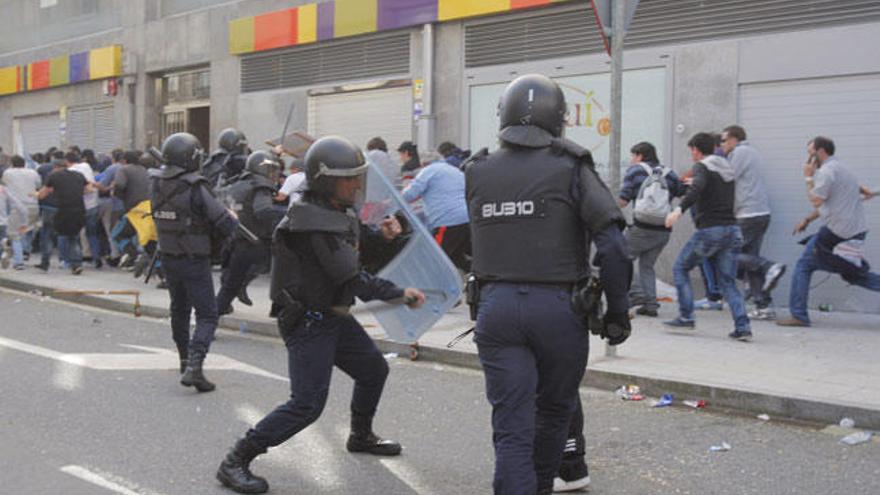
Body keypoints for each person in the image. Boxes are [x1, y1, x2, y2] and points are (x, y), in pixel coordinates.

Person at [215, 136, 426, 494]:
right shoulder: (311, 221)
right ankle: (235, 459)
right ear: (327, 179)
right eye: (349, 178)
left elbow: (349, 248)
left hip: (331, 313)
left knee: (374, 370)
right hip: (309, 321)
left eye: (358, 176)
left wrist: (382, 236)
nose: (356, 184)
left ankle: (360, 435)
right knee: (307, 405)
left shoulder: (331, 211)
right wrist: (399, 294)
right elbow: (353, 276)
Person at [465, 74, 631, 495]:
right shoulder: (571, 167)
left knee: (511, 425)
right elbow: (613, 246)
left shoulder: (477, 170)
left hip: (496, 309)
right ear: (558, 119)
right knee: (553, 414)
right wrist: (617, 313)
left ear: (502, 114)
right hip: (558, 311)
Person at [152, 133, 239, 390]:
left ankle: (183, 359)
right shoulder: (195, 185)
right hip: (193, 258)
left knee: (179, 310)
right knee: (207, 315)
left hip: (168, 257)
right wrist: (231, 219)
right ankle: (195, 366)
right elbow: (222, 222)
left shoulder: (156, 183)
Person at [777, 137, 879, 327]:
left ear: (820, 152)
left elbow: (816, 200)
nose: (808, 158)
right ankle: (798, 314)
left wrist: (808, 177)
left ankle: (798, 315)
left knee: (804, 265)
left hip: (837, 233)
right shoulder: (842, 169)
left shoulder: (826, 172)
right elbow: (830, 204)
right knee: (854, 274)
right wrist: (807, 219)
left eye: (810, 153)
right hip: (853, 232)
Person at [664, 132, 752, 341]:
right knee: (728, 281)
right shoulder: (726, 168)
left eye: (692, 150)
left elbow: (696, 189)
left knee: (680, 268)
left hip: (711, 230)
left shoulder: (702, 166)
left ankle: (686, 317)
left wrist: (678, 210)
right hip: (732, 230)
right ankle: (743, 327)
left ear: (696, 150)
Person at [721, 125, 786, 320]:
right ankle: (763, 305)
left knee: (728, 255)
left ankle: (769, 267)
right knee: (750, 262)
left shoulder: (740, 152)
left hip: (748, 214)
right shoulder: (752, 152)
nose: (722, 145)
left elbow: (727, 178)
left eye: (724, 140)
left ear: (734, 139)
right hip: (759, 213)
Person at [617, 141, 687, 317]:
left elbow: (623, 200)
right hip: (663, 230)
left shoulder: (635, 170)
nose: (632, 160)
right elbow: (681, 192)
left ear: (639, 155)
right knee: (647, 265)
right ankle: (650, 305)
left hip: (642, 228)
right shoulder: (669, 173)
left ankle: (632, 297)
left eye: (633, 156)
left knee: (620, 258)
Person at [215, 150, 286, 315]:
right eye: (270, 171)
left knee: (231, 284)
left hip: (235, 239)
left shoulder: (238, 185)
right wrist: (288, 213)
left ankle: (217, 311)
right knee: (232, 285)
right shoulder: (260, 187)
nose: (272, 175)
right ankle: (208, 321)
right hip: (253, 241)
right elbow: (264, 211)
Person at [402, 151, 471, 271]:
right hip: (467, 219)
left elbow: (410, 194)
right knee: (455, 256)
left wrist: (395, 199)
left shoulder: (428, 171)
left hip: (447, 221)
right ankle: (476, 278)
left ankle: (437, 287)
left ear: (423, 163)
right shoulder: (454, 170)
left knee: (436, 258)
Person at [35, 152, 90, 275]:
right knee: (73, 237)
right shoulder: (79, 175)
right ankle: (76, 265)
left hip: (60, 210)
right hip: (79, 210)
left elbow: (42, 194)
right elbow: (88, 189)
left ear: (55, 167)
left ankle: (45, 263)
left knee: (48, 235)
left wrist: (35, 195)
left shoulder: (53, 176)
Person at [1, 155, 42, 269]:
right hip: (33, 205)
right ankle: (26, 251)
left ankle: (18, 261)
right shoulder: (33, 172)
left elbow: (4, 184)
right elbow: (39, 185)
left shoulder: (8, 173)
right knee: (28, 229)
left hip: (18, 207)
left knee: (15, 235)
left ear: (12, 163)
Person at [69, 152, 103, 268]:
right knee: (92, 233)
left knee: (77, 234)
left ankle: (79, 258)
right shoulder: (86, 166)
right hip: (93, 204)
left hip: (80, 206)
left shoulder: (71, 171)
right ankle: (97, 257)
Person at [94, 149, 126, 264]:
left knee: (112, 231)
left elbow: (102, 186)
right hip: (128, 204)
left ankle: (115, 255)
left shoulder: (112, 169)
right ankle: (126, 254)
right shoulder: (128, 168)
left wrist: (92, 184)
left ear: (113, 158)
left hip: (115, 204)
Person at [0, 181, 29, 269]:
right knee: (14, 238)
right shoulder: (3, 190)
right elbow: (20, 207)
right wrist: (24, 223)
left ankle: (4, 251)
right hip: (3, 221)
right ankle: (18, 262)